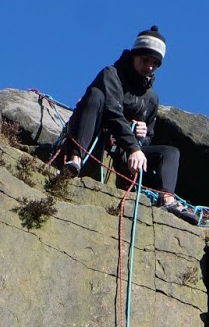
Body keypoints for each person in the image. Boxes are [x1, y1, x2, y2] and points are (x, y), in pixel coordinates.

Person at [62, 27, 199, 224]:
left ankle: (168, 200)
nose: (149, 67)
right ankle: (74, 160)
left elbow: (149, 137)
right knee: (95, 95)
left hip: (123, 152)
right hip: (97, 136)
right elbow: (112, 112)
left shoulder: (151, 98)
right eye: (145, 60)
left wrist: (142, 136)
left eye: (155, 63)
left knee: (171, 153)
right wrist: (134, 147)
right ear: (134, 55)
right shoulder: (111, 75)